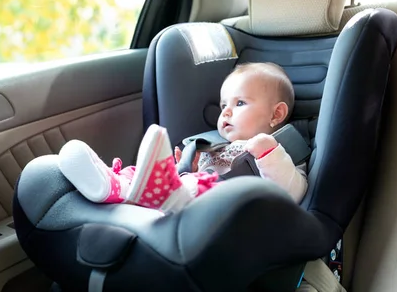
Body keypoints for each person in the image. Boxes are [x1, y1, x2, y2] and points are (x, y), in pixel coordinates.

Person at [58, 62, 308, 213]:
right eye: (223, 106)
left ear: (277, 114)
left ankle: (163, 191)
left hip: (229, 214)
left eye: (240, 103)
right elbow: (208, 174)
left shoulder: (283, 150)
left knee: (190, 187)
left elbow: (292, 194)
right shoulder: (219, 145)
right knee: (151, 172)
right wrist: (186, 166)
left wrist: (268, 153)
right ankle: (114, 185)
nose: (226, 112)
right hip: (191, 196)